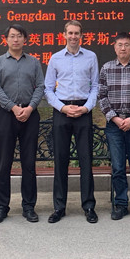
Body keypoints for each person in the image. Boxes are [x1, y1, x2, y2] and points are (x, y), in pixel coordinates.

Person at [44, 20, 99, 224]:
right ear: (64, 35)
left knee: (86, 160)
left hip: (83, 110)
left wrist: (86, 108)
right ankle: (59, 207)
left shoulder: (91, 57)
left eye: (77, 33)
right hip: (62, 111)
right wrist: (62, 108)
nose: (73, 36)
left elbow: (95, 86)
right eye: (70, 33)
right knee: (60, 160)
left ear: (81, 36)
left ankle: (89, 206)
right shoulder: (55, 58)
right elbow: (48, 88)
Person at [0, 24, 45, 225]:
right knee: (4, 163)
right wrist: (13, 107)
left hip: (30, 115)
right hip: (7, 115)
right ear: (6, 39)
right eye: (12, 36)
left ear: (25, 39)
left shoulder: (34, 62)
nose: (16, 39)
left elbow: (40, 86)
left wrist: (30, 108)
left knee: (28, 163)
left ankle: (29, 206)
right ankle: (2, 206)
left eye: (19, 36)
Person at [98, 32, 130, 221]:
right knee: (118, 167)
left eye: (126, 45)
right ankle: (120, 204)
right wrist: (115, 119)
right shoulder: (106, 68)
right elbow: (102, 96)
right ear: (114, 47)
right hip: (114, 125)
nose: (123, 48)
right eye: (119, 44)